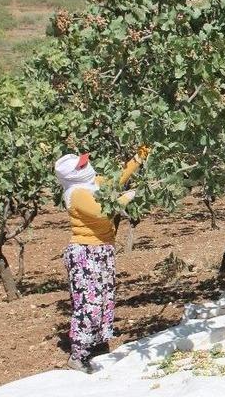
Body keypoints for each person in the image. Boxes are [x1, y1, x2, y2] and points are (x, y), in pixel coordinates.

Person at [53, 146, 149, 371]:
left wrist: (140, 155)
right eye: (82, 166)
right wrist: (130, 195)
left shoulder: (93, 183)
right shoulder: (76, 194)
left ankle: (96, 345)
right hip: (85, 254)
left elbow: (118, 179)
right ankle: (78, 354)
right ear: (72, 175)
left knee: (104, 298)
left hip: (103, 250)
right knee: (89, 303)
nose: (87, 165)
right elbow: (103, 211)